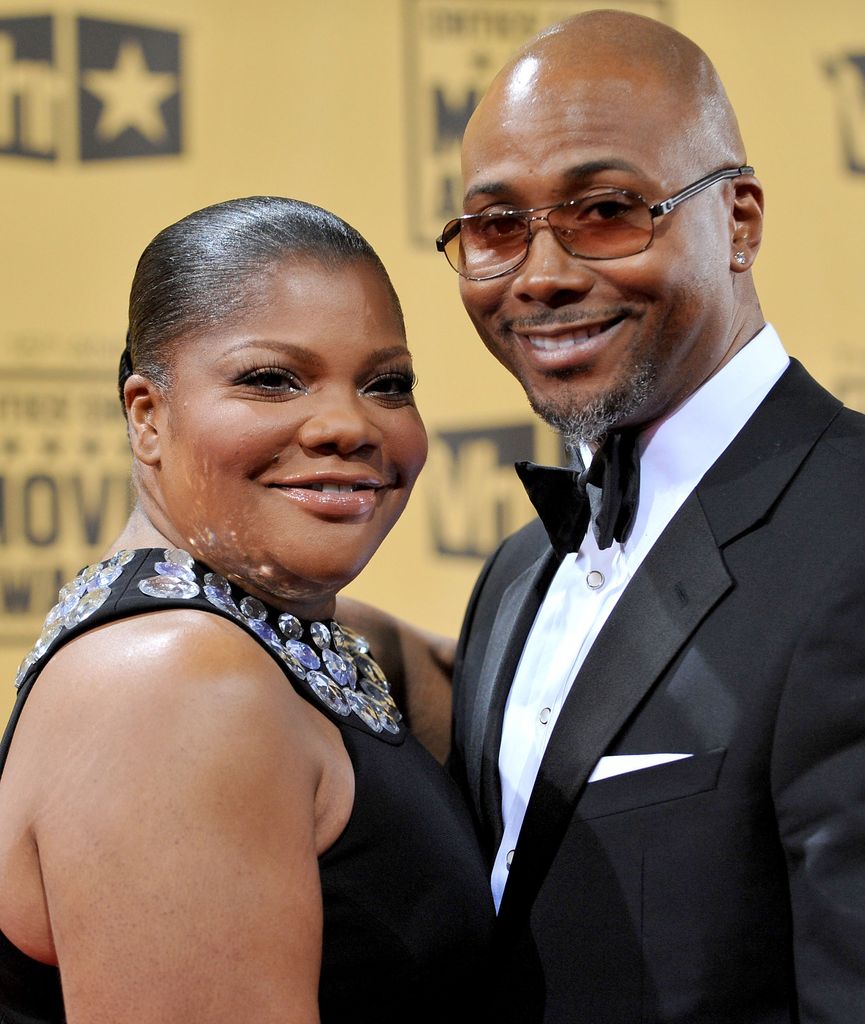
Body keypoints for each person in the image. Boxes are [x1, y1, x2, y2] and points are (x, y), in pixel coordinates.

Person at [432, 9, 865, 1023]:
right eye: (497, 227)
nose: (539, 274)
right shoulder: (513, 573)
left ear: (741, 222)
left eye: (606, 210)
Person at [0, 196, 494, 1024]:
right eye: (271, 379)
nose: (347, 423)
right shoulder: (172, 685)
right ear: (147, 415)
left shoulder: (291, 637)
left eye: (387, 384)